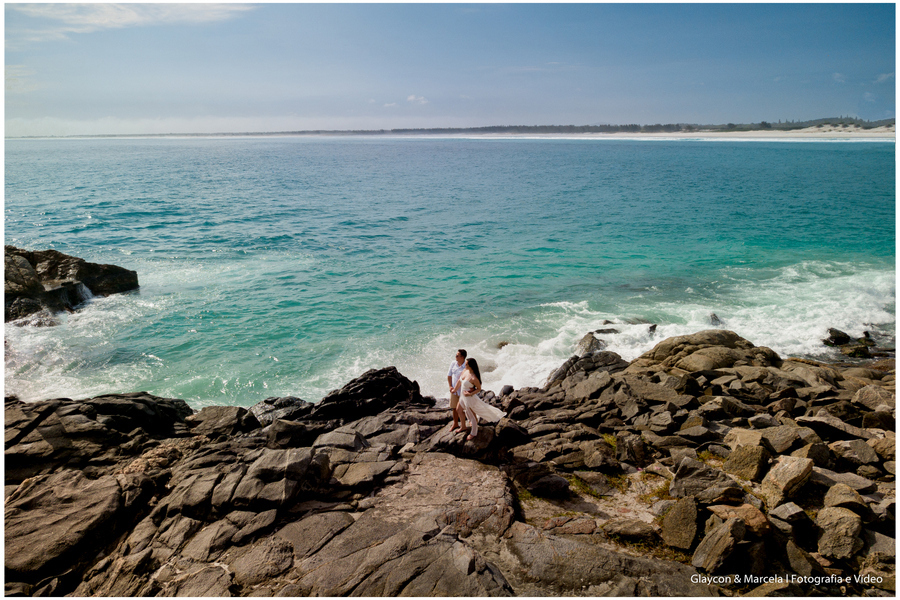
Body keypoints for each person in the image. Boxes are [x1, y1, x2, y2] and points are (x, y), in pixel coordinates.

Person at [452, 358, 506, 440]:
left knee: (472, 417)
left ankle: (473, 433)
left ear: (471, 366)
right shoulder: (465, 371)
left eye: (466, 364)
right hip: (462, 397)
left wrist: (470, 393)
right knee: (458, 410)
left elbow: (479, 388)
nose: (464, 365)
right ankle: (463, 427)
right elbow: (459, 382)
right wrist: (454, 390)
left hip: (469, 398)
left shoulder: (474, 377)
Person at [447, 349, 467, 431]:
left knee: (466, 407)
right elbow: (449, 375)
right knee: (454, 407)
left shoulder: (466, 365)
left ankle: (467, 423)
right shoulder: (453, 363)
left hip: (463, 390)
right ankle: (455, 423)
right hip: (454, 390)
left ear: (462, 357)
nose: (455, 356)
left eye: (457, 355)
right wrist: (450, 386)